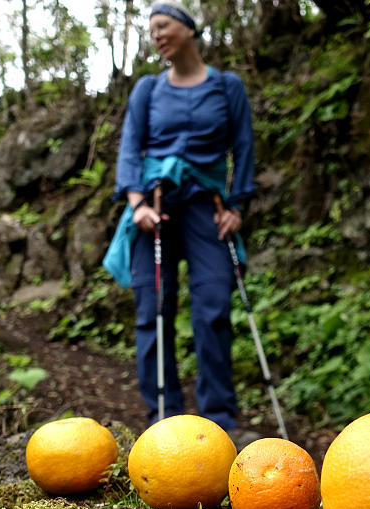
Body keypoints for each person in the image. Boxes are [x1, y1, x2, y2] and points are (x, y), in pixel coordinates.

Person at [111, 1, 260, 446]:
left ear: (190, 30)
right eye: (151, 29)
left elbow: (245, 146)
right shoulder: (147, 90)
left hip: (206, 206)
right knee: (153, 309)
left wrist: (238, 205)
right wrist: (136, 202)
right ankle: (163, 421)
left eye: (164, 25)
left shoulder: (227, 86)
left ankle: (219, 422)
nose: (156, 34)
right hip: (152, 207)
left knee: (213, 306)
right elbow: (130, 147)